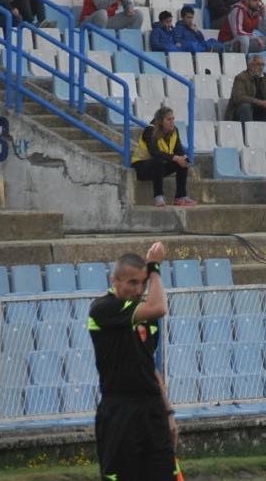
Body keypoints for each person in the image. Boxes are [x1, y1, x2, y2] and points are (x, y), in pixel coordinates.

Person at [87, 240, 179, 480]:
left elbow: (150, 366)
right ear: (114, 281)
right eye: (132, 282)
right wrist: (155, 268)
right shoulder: (103, 308)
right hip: (120, 412)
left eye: (143, 282)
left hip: (152, 412)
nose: (139, 289)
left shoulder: (143, 315)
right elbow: (159, 306)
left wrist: (168, 412)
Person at [131, 106, 194, 207]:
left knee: (182, 163)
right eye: (169, 119)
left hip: (158, 168)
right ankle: (158, 197)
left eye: (173, 119)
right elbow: (154, 152)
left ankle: (180, 197)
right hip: (140, 167)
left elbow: (179, 151)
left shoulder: (174, 131)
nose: (172, 122)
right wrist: (175, 158)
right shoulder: (150, 130)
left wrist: (184, 159)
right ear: (160, 121)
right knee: (158, 160)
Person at [228, 55, 266, 125]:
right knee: (245, 106)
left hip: (261, 112)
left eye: (263, 65)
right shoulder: (241, 77)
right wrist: (261, 103)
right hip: (243, 113)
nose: (261, 67)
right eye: (258, 64)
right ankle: (248, 133)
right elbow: (239, 98)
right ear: (250, 65)